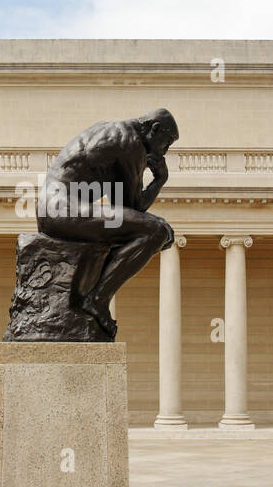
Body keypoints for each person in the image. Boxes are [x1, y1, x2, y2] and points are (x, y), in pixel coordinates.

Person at [37, 108, 178, 336]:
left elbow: (123, 207)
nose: (165, 151)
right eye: (166, 143)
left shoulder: (110, 131)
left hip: (54, 210)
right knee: (156, 231)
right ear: (154, 129)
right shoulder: (129, 142)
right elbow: (135, 209)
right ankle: (98, 299)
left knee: (149, 228)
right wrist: (160, 180)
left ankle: (91, 295)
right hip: (64, 211)